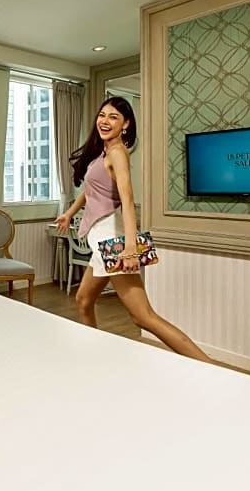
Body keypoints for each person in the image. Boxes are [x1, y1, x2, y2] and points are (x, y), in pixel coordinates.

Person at [55, 96, 211, 362]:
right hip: (101, 242)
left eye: (113, 117)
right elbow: (92, 189)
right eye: (102, 115)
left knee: (143, 317)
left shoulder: (117, 153)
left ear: (125, 124)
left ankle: (209, 366)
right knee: (83, 300)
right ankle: (92, 360)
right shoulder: (104, 152)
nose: (105, 121)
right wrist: (70, 213)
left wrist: (130, 249)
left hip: (112, 240)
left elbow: (127, 201)